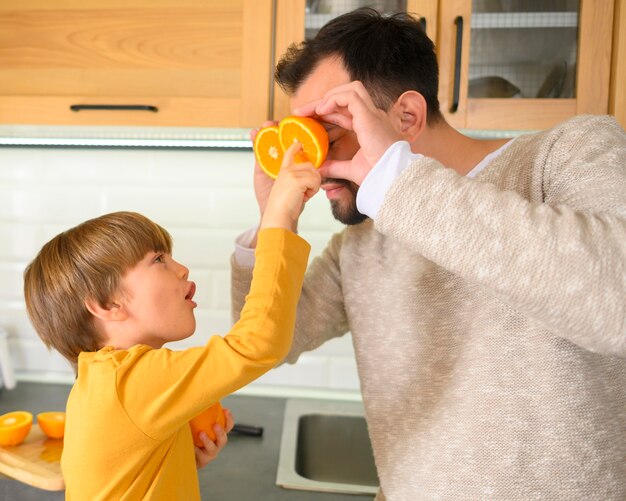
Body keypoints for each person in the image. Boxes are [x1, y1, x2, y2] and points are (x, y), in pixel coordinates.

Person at [231, 8, 626, 501]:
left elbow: (616, 300)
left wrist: (397, 185)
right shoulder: (361, 244)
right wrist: (274, 223)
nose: (316, 162)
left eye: (330, 135)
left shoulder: (570, 152)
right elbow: (268, 344)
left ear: (408, 117)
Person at [23, 143, 320, 500]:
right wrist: (278, 219)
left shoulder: (107, 380)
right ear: (106, 303)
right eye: (159, 259)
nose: (181, 269)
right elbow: (257, 344)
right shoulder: (130, 383)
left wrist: (173, 455)